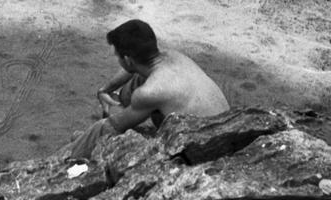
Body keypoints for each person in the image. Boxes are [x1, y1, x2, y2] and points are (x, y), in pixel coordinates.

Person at [68, 19, 230, 160]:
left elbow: (113, 125)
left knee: (103, 128)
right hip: (227, 129)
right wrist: (106, 89)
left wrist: (84, 141)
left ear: (126, 59)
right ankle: (85, 140)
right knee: (139, 80)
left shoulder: (150, 92)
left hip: (206, 149)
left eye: (117, 56)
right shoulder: (173, 56)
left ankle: (70, 153)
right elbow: (134, 68)